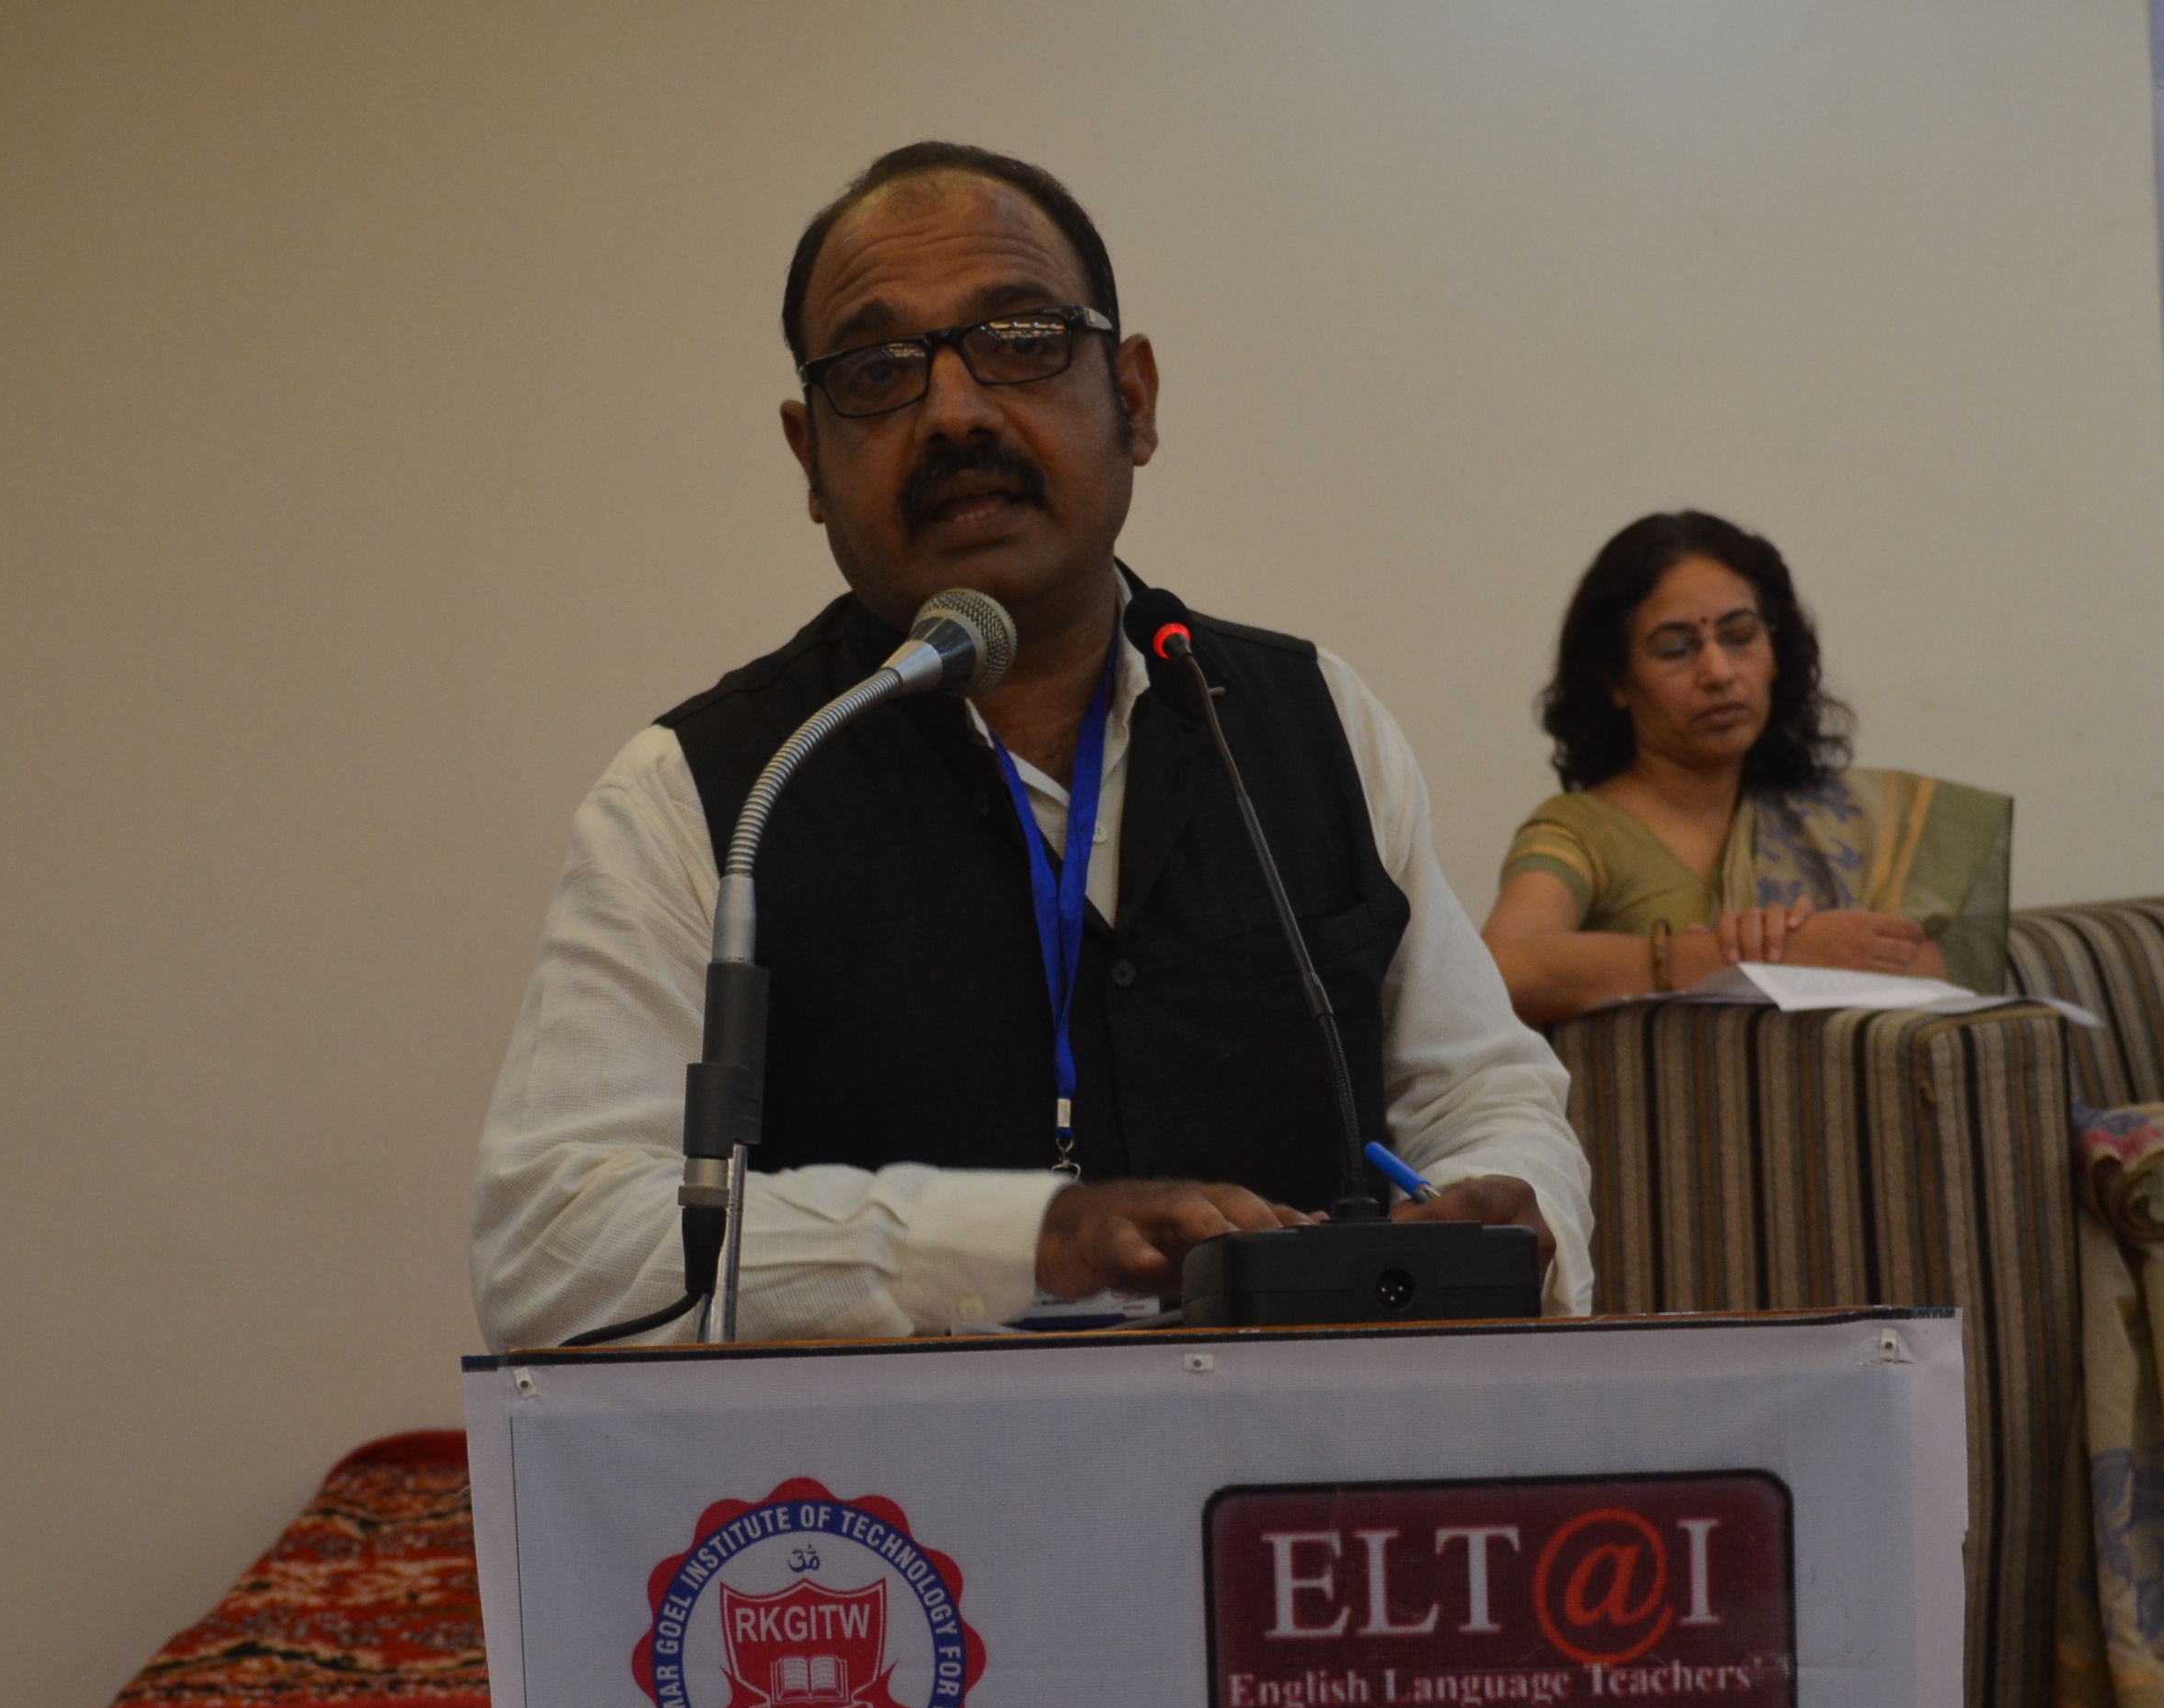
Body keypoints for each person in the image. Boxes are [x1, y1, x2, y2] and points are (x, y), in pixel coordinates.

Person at [472, 143, 1592, 1349]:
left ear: (1135, 399)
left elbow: (1480, 1089)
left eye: (1020, 339)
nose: (954, 412)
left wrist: (1503, 1210)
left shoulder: (1312, 716)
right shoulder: (706, 797)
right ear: (809, 459)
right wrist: (1020, 1247)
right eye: (877, 370)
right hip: (906, 1475)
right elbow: (554, 1250)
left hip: (1300, 1460)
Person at [1481, 511, 2013, 1027]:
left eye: (1740, 637)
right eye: (1675, 649)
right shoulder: (1582, 830)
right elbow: (1500, 972)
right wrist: (1733, 959)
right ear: (1615, 680)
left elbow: (1941, 973)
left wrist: (1831, 953)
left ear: (1777, 653)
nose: (1718, 672)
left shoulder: (1839, 820)